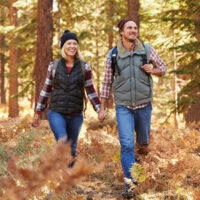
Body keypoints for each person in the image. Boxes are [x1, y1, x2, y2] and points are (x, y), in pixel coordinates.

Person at [98, 19, 167, 198]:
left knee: (142, 145)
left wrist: (153, 70)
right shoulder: (113, 54)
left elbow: (163, 68)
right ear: (121, 32)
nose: (133, 30)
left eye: (135, 28)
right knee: (127, 144)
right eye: (129, 28)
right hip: (124, 107)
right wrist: (102, 108)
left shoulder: (147, 49)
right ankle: (131, 184)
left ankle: (142, 179)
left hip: (144, 105)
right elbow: (106, 82)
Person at [33, 30, 101, 166]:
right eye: (69, 43)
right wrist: (37, 112)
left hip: (76, 114)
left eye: (74, 43)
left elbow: (91, 90)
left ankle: (68, 180)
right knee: (63, 142)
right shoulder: (54, 66)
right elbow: (46, 89)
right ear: (63, 46)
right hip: (57, 112)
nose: (72, 46)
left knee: (72, 148)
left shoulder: (84, 67)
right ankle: (61, 176)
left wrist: (99, 109)